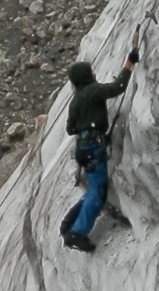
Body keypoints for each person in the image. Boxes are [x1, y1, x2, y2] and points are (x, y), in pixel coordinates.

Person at [60, 42, 140, 252]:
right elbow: (117, 88)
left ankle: (68, 224)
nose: (94, 74)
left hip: (83, 149)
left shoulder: (76, 100)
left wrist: (86, 122)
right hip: (94, 148)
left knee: (94, 189)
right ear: (87, 76)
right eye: (91, 72)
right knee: (97, 194)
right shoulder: (92, 91)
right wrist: (129, 64)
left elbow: (70, 128)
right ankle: (77, 233)